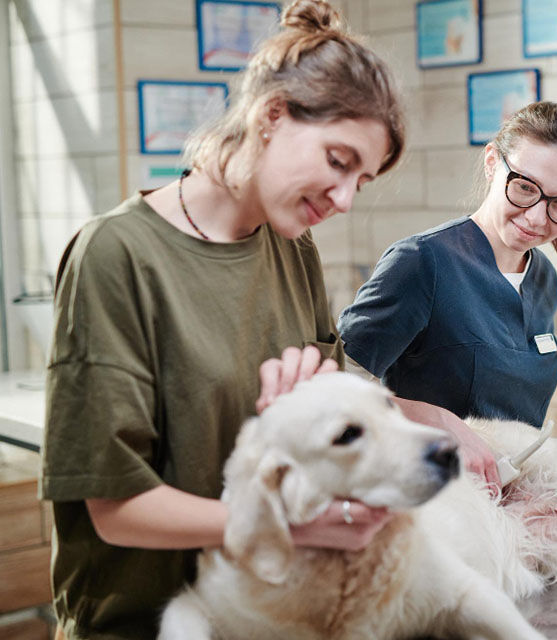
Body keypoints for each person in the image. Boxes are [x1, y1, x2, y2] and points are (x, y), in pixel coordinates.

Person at [39, 3, 428, 638]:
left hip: (265, 610)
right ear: (272, 115)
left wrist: (417, 417)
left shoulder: (291, 244)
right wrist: (289, 526)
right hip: (141, 621)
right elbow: (115, 507)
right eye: (338, 160)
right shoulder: (116, 255)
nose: (345, 199)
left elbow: (318, 427)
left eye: (362, 179)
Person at [338, 101, 557, 431]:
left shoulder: (543, 277)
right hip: (439, 475)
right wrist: (436, 420)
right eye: (524, 187)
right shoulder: (422, 262)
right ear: (492, 163)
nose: (536, 218)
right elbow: (336, 382)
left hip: (509, 476)